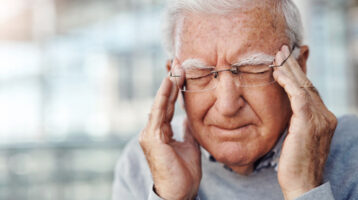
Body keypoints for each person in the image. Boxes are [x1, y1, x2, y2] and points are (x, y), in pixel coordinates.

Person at [112, 0, 358, 199]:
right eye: (200, 74)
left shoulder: (353, 152)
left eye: (253, 69)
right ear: (175, 80)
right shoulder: (143, 162)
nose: (228, 106)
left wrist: (305, 189)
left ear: (300, 67)